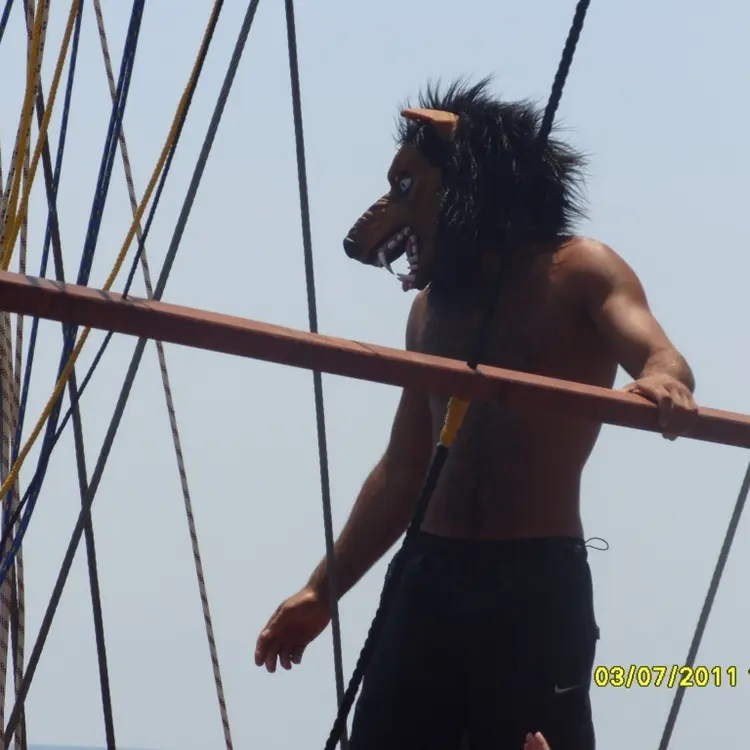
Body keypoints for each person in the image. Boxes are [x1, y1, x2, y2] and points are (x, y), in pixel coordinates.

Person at [254, 79, 697, 749]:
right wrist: (324, 589)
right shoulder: (429, 310)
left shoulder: (578, 269)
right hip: (428, 576)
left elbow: (659, 354)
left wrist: (664, 381)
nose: (389, 210)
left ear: (466, 182)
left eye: (407, 186)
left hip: (534, 581)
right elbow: (404, 468)